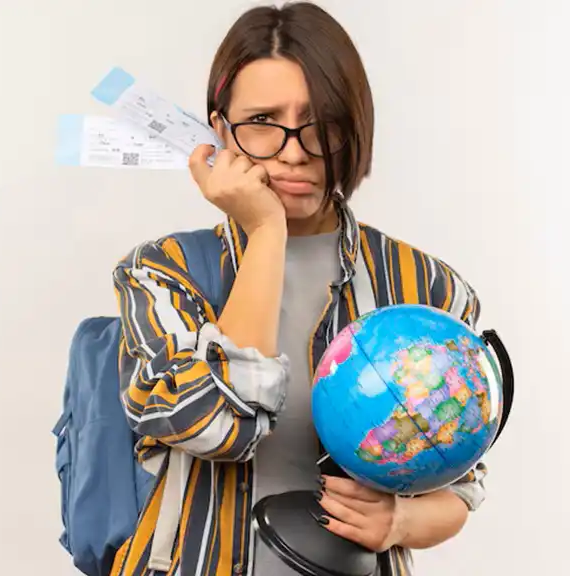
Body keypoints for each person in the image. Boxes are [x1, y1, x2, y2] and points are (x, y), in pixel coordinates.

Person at [110, 3, 488, 575]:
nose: (294, 149)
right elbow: (216, 426)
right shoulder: (163, 272)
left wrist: (399, 523)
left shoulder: (426, 287)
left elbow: (463, 481)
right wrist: (266, 231)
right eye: (263, 120)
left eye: (322, 122)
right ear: (220, 132)